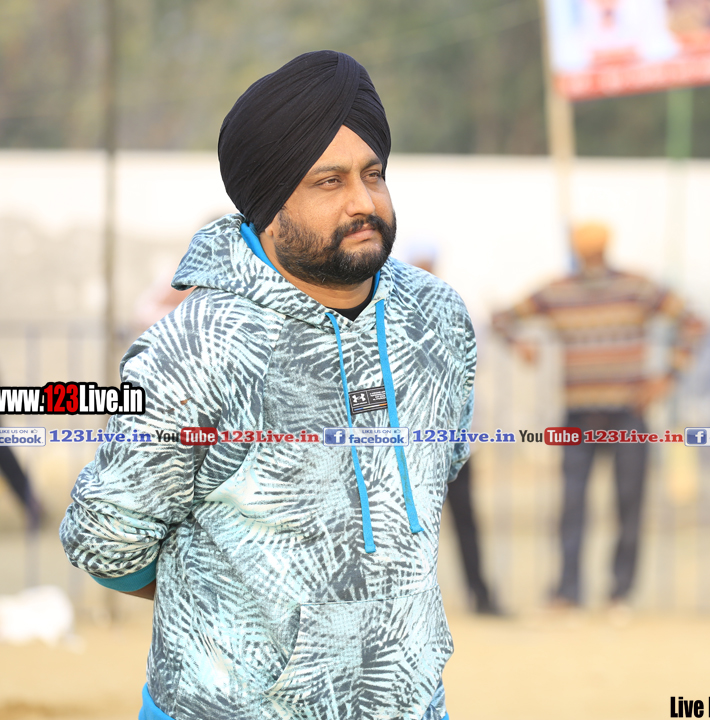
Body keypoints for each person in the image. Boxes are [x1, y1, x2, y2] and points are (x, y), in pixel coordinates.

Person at [60, 51, 474, 720]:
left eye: (372, 174)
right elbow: (107, 537)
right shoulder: (197, 345)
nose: (363, 202)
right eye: (328, 182)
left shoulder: (437, 321)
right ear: (268, 207)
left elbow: (431, 485)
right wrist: (244, 605)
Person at [492, 221, 702, 614]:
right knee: (572, 506)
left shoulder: (636, 287)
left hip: (628, 413)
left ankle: (620, 592)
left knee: (629, 504)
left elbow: (693, 322)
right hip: (577, 414)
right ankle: (568, 591)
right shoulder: (557, 291)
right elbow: (501, 319)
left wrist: (668, 375)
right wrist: (520, 345)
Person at [407, 245, 502, 616]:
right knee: (407, 527)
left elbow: (474, 364)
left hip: (453, 439)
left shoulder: (456, 310)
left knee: (465, 519)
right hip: (407, 443)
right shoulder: (387, 311)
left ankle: (481, 595)